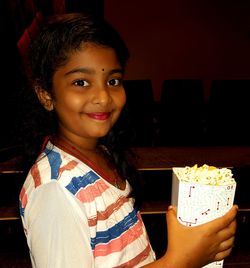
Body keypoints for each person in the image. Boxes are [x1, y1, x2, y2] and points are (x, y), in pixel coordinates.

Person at [19, 12, 238, 268]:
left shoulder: (101, 153)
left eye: (113, 80)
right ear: (46, 95)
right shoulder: (56, 190)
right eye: (81, 82)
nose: (103, 97)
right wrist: (181, 260)